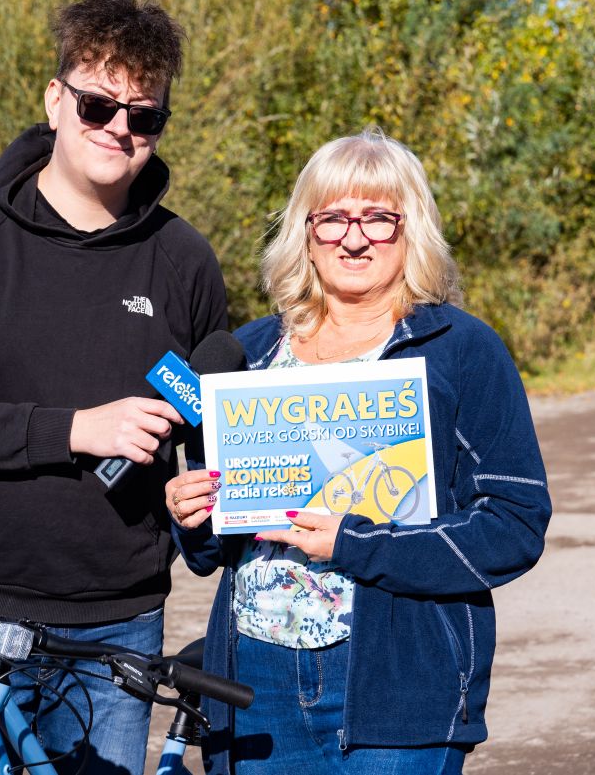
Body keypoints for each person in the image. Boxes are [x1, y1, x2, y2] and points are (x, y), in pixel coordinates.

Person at [0, 0, 228, 774]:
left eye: (144, 116)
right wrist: (76, 428)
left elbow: (208, 459)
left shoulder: (185, 262)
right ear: (55, 99)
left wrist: (199, 512)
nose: (119, 131)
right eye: (99, 105)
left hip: (118, 627)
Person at [166, 129, 551, 774]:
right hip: (254, 682)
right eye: (334, 219)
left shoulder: (461, 350)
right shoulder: (250, 353)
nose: (353, 237)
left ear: (411, 230)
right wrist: (193, 512)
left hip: (397, 681)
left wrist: (358, 543)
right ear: (305, 232)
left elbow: (514, 524)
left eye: (378, 218)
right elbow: (215, 545)